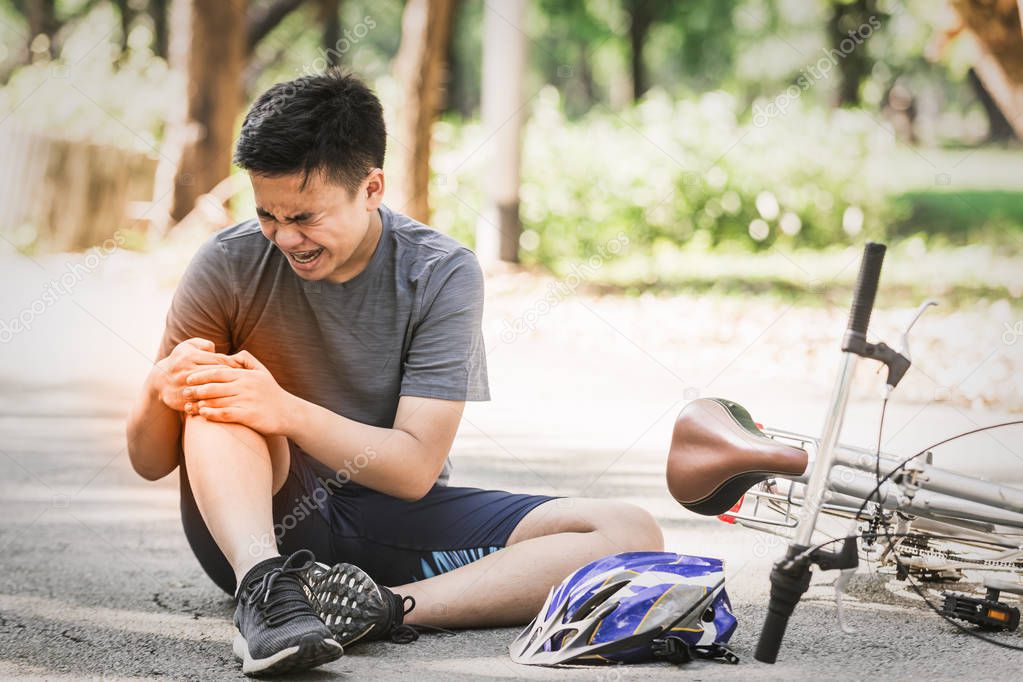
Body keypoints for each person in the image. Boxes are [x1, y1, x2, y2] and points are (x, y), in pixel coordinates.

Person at [125, 70, 663, 676]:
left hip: (389, 516)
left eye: (304, 216)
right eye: (268, 215)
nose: (284, 237)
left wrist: (289, 410)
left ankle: (379, 610)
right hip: (261, 523)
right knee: (220, 398)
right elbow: (150, 461)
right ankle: (268, 601)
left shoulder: (441, 272)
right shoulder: (228, 263)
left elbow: (412, 470)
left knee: (628, 531)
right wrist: (157, 389)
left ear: (372, 187)